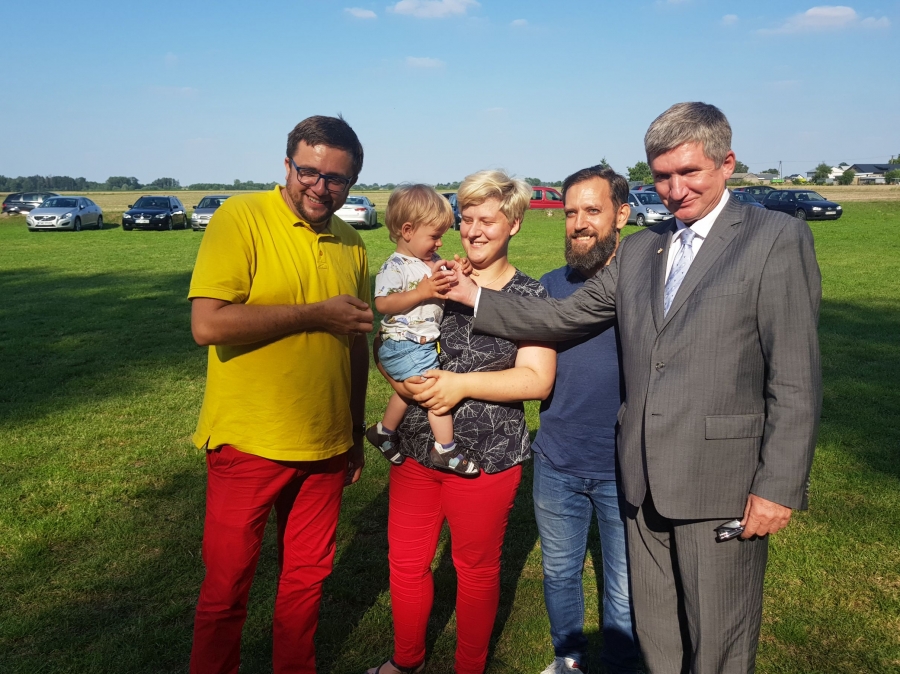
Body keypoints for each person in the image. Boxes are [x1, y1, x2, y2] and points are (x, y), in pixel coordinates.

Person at [448, 103, 822, 674]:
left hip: (720, 483)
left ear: (726, 163)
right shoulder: (645, 249)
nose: (675, 189)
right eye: (663, 176)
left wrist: (776, 487)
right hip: (641, 484)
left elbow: (794, 377)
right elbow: (562, 318)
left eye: (689, 172)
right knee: (657, 639)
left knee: (718, 644)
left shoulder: (775, 238)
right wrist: (472, 296)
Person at [187, 115, 374, 674]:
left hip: (325, 446)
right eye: (308, 171)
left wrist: (354, 430)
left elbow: (355, 343)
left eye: (336, 178)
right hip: (249, 442)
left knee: (305, 587)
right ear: (287, 165)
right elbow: (208, 325)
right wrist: (315, 314)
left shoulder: (352, 243)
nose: (320, 186)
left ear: (352, 181)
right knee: (227, 590)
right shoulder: (240, 217)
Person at [366, 170, 557, 674]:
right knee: (406, 564)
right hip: (415, 450)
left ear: (514, 224)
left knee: (475, 570)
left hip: (487, 456)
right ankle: (406, 661)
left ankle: (469, 667)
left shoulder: (530, 296)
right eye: (466, 219)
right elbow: (387, 340)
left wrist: (461, 385)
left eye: (486, 220)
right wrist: (398, 382)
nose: (472, 230)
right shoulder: (438, 276)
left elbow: (536, 381)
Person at [532, 165, 641, 674]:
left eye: (592, 210)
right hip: (556, 460)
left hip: (625, 466)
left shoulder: (647, 287)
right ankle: (569, 659)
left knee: (624, 584)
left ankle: (620, 664)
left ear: (622, 214)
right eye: (570, 212)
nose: (578, 223)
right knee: (559, 573)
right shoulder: (549, 287)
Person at [366, 184, 478, 475]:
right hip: (404, 342)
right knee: (435, 394)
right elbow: (382, 303)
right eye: (434, 236)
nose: (439, 243)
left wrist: (459, 271)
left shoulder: (432, 261)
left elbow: (446, 282)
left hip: (421, 342)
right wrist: (421, 292)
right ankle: (445, 449)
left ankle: (384, 432)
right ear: (407, 231)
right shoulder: (395, 266)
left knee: (408, 393)